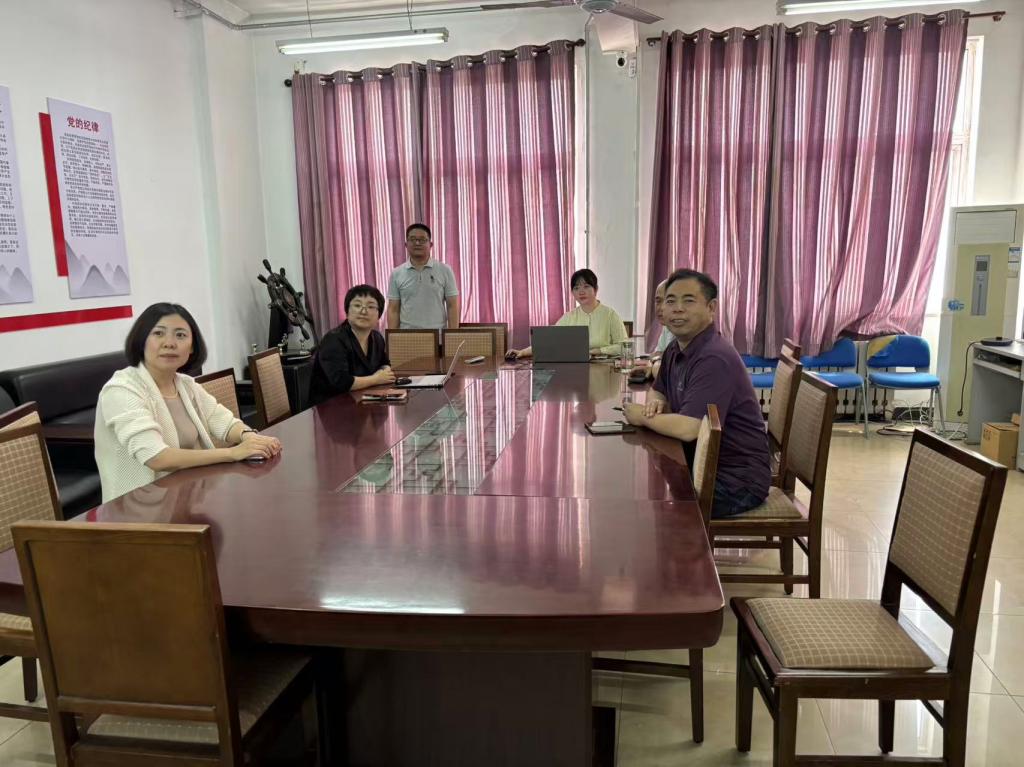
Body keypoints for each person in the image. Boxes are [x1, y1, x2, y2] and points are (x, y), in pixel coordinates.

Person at [94, 302, 282, 502]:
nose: (169, 343)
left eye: (180, 335)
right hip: (136, 510)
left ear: (192, 346)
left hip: (188, 497)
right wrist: (233, 453)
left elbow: (224, 422)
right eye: (158, 333)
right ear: (141, 341)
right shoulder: (122, 390)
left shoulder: (185, 384)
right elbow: (156, 457)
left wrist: (249, 437)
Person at [621, 269, 770, 518]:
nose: (677, 309)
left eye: (688, 301)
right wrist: (655, 404)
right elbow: (657, 391)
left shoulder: (714, 358)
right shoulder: (675, 349)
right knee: (636, 490)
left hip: (735, 481)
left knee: (646, 509)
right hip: (701, 463)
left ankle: (683, 545)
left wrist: (642, 417)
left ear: (711, 308)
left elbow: (690, 428)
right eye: (670, 301)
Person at [506, 268, 628, 359]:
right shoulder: (569, 317)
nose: (581, 292)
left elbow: (624, 347)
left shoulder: (610, 315)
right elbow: (548, 342)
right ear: (572, 293)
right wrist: (522, 352)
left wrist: (598, 351)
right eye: (576, 288)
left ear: (596, 289)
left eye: (586, 286)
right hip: (575, 371)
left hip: (604, 369)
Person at [310, 284, 396, 404]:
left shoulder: (377, 338)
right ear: (347, 312)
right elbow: (341, 382)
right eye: (357, 305)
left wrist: (385, 371)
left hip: (363, 401)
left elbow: (385, 363)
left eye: (371, 306)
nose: (363, 311)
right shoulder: (333, 340)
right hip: (331, 406)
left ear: (379, 315)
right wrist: (376, 379)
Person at [386, 223, 460, 330]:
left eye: (422, 240)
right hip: (406, 335)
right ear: (406, 244)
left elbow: (452, 306)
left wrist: (452, 335)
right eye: (412, 239)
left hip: (438, 335)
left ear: (431, 244)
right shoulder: (396, 273)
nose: (417, 243)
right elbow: (393, 310)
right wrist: (392, 337)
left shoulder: (445, 270)